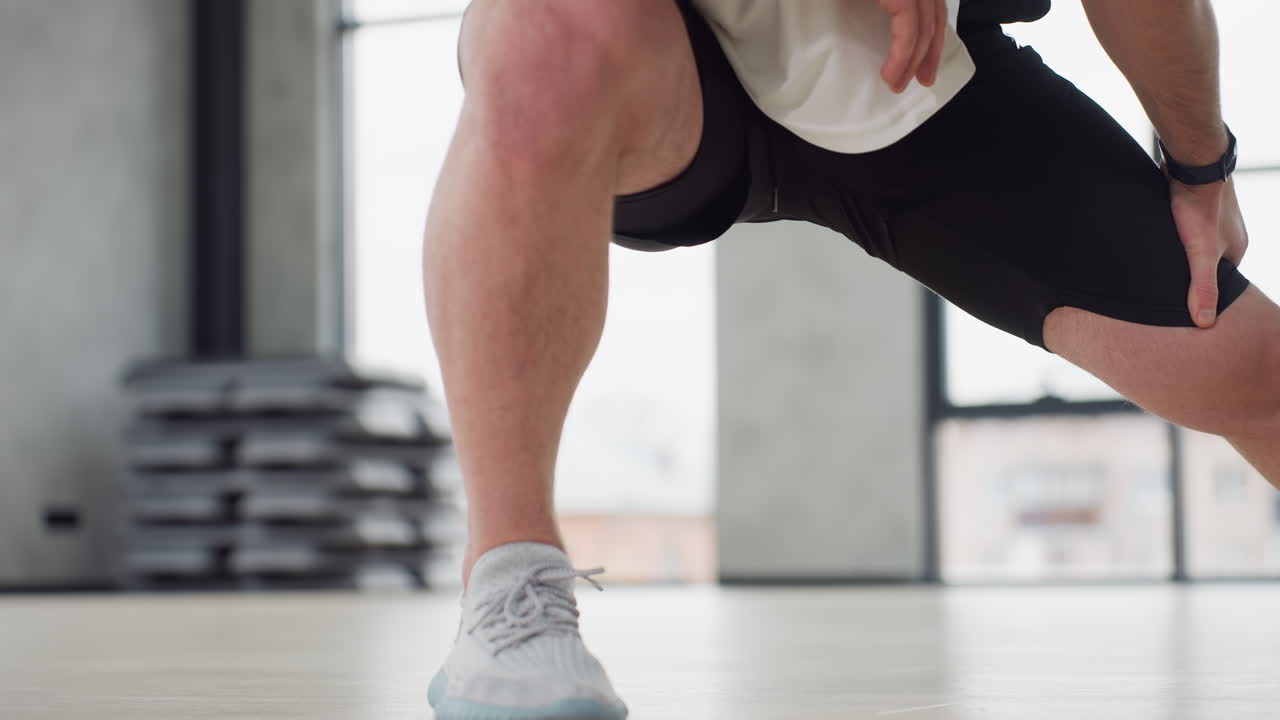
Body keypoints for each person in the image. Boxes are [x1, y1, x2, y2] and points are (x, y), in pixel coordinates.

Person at [421, 0, 1279, 717]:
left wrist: (1200, 165)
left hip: (917, 73)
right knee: (542, 32)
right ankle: (511, 588)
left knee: (1251, 370)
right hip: (662, 39)